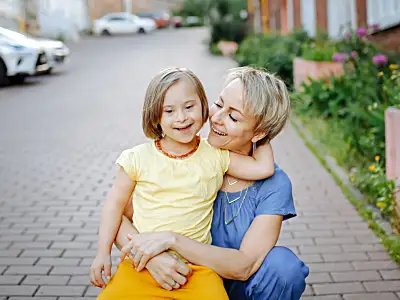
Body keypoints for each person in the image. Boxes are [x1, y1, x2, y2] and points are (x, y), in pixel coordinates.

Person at [113, 66, 310, 300]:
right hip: (177, 278)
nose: (215, 118)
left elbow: (244, 265)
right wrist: (152, 257)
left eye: (233, 116)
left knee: (284, 266)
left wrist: (172, 240)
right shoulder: (182, 157)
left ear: (257, 133)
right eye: (219, 104)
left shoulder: (275, 184)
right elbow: (121, 217)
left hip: (234, 287)